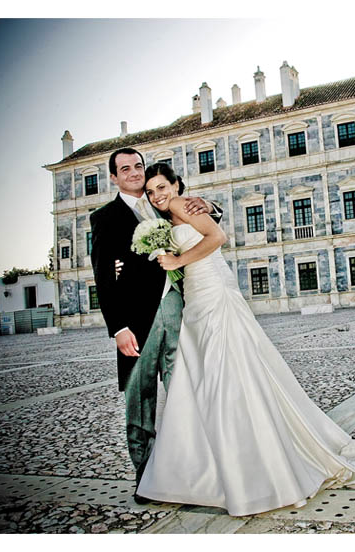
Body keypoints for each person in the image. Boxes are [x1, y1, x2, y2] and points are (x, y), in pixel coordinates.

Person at [136, 163, 355, 517]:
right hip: (197, 296)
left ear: (176, 184)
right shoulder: (168, 217)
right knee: (209, 374)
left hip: (213, 291)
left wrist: (178, 259)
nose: (158, 195)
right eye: (152, 191)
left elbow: (218, 239)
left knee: (224, 372)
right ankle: (218, 463)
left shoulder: (184, 205)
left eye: (162, 187)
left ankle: (241, 469)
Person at [90, 148, 222, 504]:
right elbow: (103, 275)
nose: (134, 172)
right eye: (124, 169)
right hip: (136, 323)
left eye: (138, 166)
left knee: (188, 394)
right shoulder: (105, 217)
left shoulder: (161, 202)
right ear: (113, 178)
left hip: (178, 308)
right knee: (140, 399)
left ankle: (193, 471)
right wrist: (118, 328)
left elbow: (198, 219)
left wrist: (209, 205)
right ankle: (146, 477)